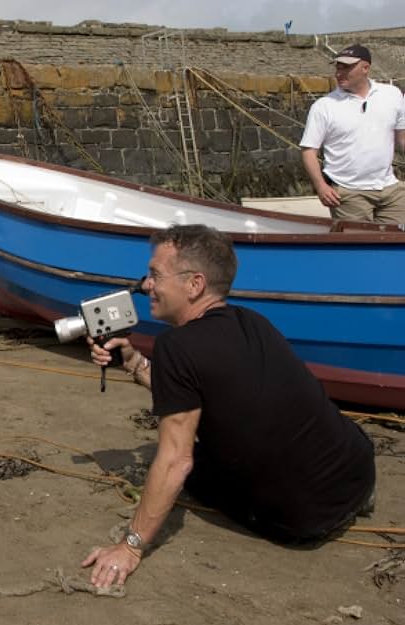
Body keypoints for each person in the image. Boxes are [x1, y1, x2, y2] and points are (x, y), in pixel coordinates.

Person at [82, 224, 375, 589]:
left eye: (155, 275)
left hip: (305, 517)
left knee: (193, 466)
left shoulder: (176, 347)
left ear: (195, 284)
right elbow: (201, 387)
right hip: (359, 474)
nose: (145, 285)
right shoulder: (252, 321)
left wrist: (131, 546)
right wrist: (133, 361)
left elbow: (177, 461)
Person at [299, 44, 405, 224]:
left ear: (365, 68)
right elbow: (308, 151)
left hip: (390, 190)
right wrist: (321, 186)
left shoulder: (392, 95)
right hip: (348, 193)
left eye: (346, 67)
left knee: (396, 245)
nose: (339, 73)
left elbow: (402, 139)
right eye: (338, 67)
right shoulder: (324, 106)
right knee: (359, 245)